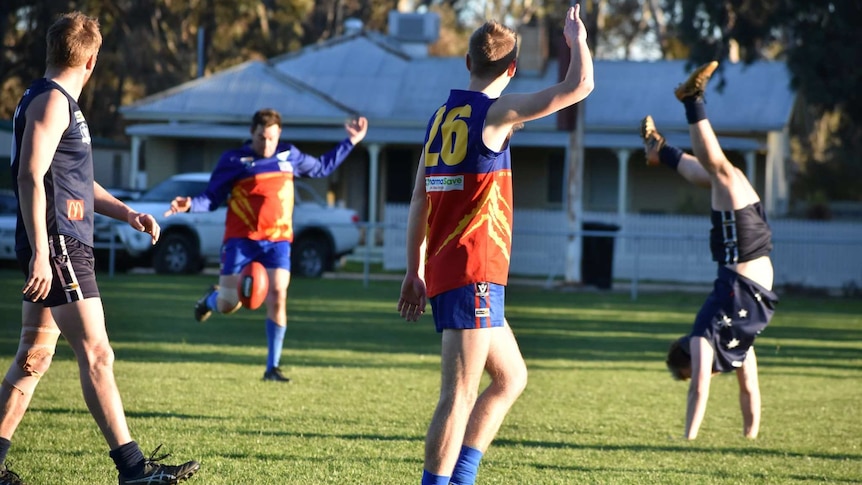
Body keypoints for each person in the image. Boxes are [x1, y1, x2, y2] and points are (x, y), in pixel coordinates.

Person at [397, 6, 593, 485]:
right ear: (511, 70)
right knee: (459, 394)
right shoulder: (496, 112)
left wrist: (414, 269)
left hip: (453, 270)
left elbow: (420, 198)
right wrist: (576, 38)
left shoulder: (440, 117)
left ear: (466, 62)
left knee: (511, 378)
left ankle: (461, 477)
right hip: (473, 270)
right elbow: (578, 87)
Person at [3, 11, 200, 485]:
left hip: (60, 244)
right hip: (60, 247)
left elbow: (75, 180)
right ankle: (133, 470)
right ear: (91, 60)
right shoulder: (52, 102)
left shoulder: (55, 100)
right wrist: (40, 251)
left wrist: (127, 213)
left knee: (34, 355)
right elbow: (30, 175)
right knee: (97, 354)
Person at [164, 108, 368, 383]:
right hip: (241, 241)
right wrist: (189, 204)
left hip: (278, 241)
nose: (267, 143)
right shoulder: (234, 160)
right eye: (262, 137)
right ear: (252, 133)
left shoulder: (289, 156)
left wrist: (350, 142)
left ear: (279, 134)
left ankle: (272, 367)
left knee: (278, 295)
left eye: (271, 137)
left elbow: (321, 167)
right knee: (229, 303)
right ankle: (210, 300)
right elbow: (211, 198)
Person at [641, 61, 779, 440]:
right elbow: (750, 389)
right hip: (753, 253)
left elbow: (698, 387)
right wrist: (751, 436)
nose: (710, 374)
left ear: (690, 354)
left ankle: (691, 101)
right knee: (726, 175)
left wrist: (688, 438)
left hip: (739, 258)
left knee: (722, 173)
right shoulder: (736, 347)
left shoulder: (704, 336)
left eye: (695, 367)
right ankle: (661, 152)